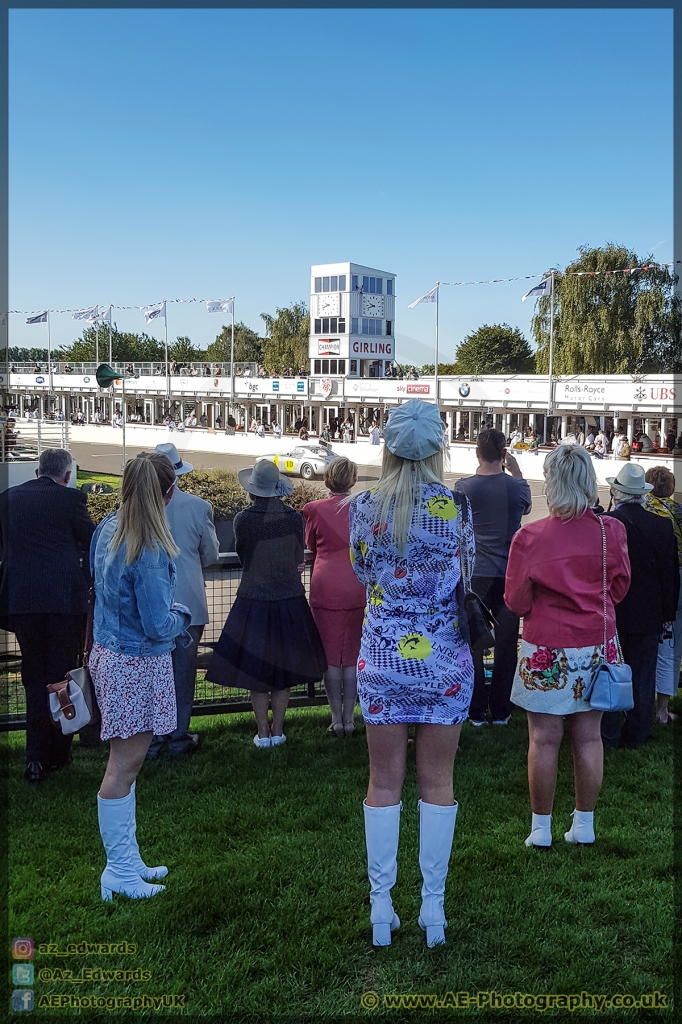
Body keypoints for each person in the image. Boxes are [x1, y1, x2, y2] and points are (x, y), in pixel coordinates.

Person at [349, 399, 475, 948]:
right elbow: (464, 572)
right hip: (444, 662)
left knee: (382, 783)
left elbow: (361, 571)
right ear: (437, 450)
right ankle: (434, 911)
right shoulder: (456, 507)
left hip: (381, 660)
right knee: (438, 785)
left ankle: (382, 909)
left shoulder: (362, 508)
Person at [505, 445, 631, 848]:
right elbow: (620, 587)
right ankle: (584, 823)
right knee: (590, 736)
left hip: (547, 648)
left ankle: (540, 829)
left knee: (543, 739)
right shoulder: (612, 531)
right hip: (597, 644)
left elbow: (516, 602)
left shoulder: (529, 537)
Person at [90, 454, 191, 900]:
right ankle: (118, 870)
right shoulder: (148, 547)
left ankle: (127, 861)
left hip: (111, 655)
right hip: (136, 663)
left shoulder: (108, 528)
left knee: (126, 769)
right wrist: (182, 616)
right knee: (123, 768)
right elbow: (156, 624)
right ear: (166, 494)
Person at [206, 460, 326, 748]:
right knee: (283, 669)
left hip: (253, 599)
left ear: (252, 489)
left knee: (255, 671)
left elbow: (243, 555)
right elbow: (299, 556)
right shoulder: (293, 518)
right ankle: (279, 730)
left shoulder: (243, 520)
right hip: (289, 598)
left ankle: (262, 732)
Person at [0, 449, 96, 783]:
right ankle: (59, 753)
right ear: (67, 475)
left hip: (22, 601)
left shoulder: (8, 498)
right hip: (62, 602)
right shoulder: (71, 500)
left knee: (33, 678)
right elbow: (91, 542)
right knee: (61, 677)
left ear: (38, 470)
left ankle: (34, 759)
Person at [145, 446, 219, 759]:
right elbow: (212, 555)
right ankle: (177, 735)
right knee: (182, 674)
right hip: (188, 601)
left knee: (150, 673)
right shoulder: (198, 507)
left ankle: (150, 738)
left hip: (148, 602)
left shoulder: (134, 508)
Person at [455, 429, 532, 726]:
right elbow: (526, 507)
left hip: (475, 575)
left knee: (473, 641)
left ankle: (475, 709)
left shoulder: (464, 487)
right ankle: (500, 709)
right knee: (506, 643)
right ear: (503, 454)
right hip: (509, 573)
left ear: (477, 453)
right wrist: (516, 469)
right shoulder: (518, 488)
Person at [601, 464, 679, 749]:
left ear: (616, 492)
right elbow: (669, 575)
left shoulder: (605, 524)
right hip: (650, 611)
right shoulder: (661, 526)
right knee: (643, 674)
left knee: (609, 671)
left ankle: (608, 732)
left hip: (613, 609)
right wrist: (668, 614)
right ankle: (637, 732)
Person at [304, 458, 365, 737]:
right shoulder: (363, 507)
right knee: (351, 657)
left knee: (330, 658)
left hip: (325, 584)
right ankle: (351, 720)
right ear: (352, 479)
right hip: (356, 584)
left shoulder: (313, 509)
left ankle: (336, 718)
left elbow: (310, 545)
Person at [644, 466, 682, 724]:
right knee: (671, 645)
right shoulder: (678, 512)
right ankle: (662, 708)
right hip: (677, 577)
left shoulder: (643, 508)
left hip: (650, 579)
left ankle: (640, 703)